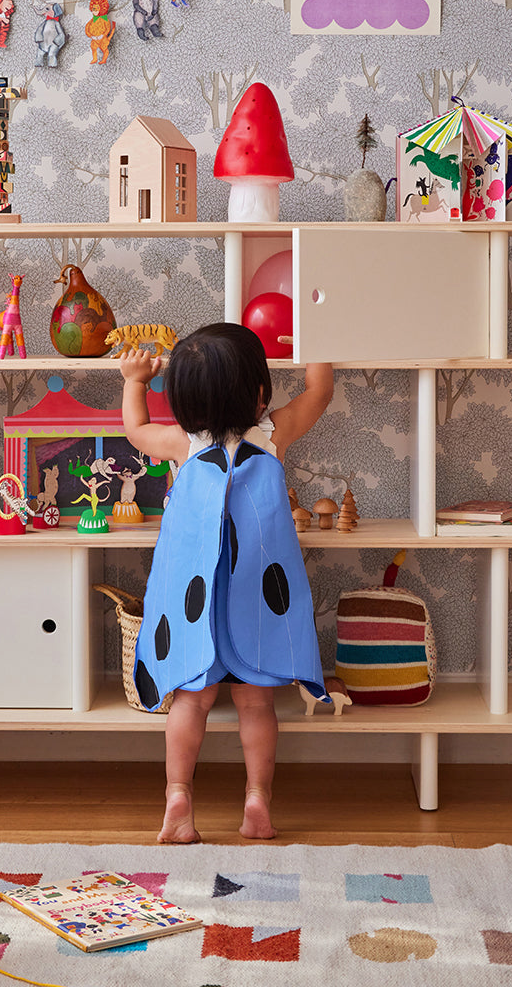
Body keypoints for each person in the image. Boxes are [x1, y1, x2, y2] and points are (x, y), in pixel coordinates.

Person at [119, 323, 334, 843]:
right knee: (256, 704)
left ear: (184, 402)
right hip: (254, 601)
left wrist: (133, 379)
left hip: (197, 604)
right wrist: (316, 343)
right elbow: (320, 393)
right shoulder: (271, 433)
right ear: (260, 393)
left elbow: (134, 429)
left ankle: (178, 795)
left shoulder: (180, 442)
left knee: (190, 701)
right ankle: (256, 799)